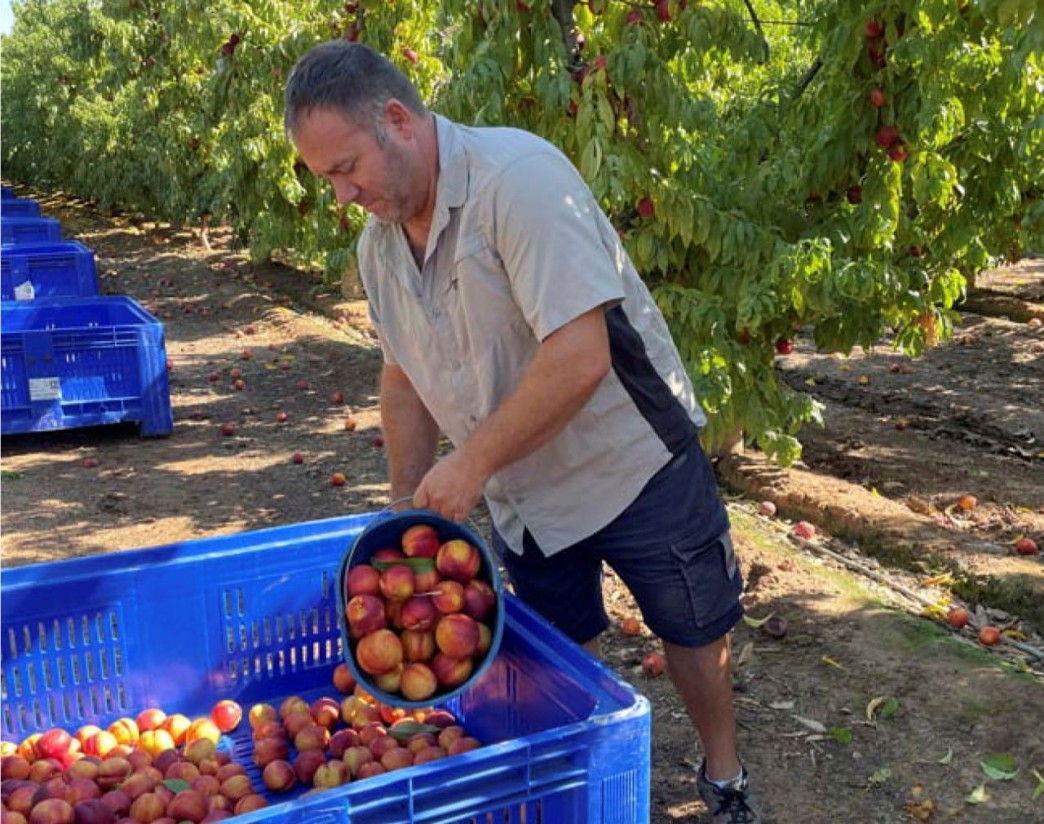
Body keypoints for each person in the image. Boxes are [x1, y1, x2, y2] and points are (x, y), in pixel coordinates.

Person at [284, 41, 763, 823]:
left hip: (627, 460)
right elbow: (405, 375)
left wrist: (468, 466)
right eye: (327, 179)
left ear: (398, 121)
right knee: (559, 644)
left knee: (692, 626)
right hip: (521, 487)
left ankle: (723, 771)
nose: (342, 195)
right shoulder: (378, 247)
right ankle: (579, 770)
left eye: (346, 168)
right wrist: (408, 497)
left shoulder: (519, 181)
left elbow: (579, 357)